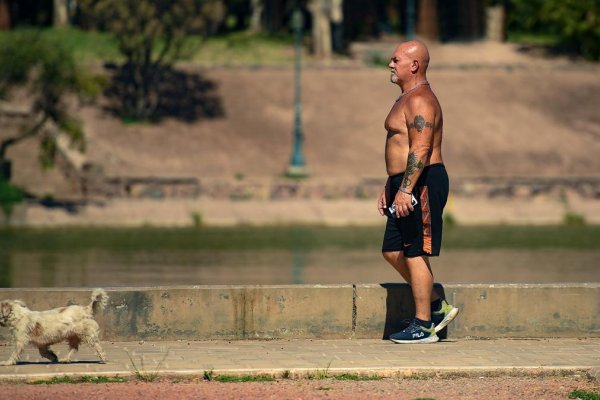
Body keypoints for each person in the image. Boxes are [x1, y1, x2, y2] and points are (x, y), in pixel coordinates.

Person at [377, 40, 458, 344]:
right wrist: (392, 187)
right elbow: (400, 147)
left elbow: (421, 149)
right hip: (404, 183)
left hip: (421, 182)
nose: (390, 64)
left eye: (395, 59)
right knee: (392, 251)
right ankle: (437, 304)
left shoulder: (421, 100)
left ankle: (424, 325)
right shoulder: (407, 98)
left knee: (415, 251)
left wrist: (406, 189)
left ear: (414, 65)